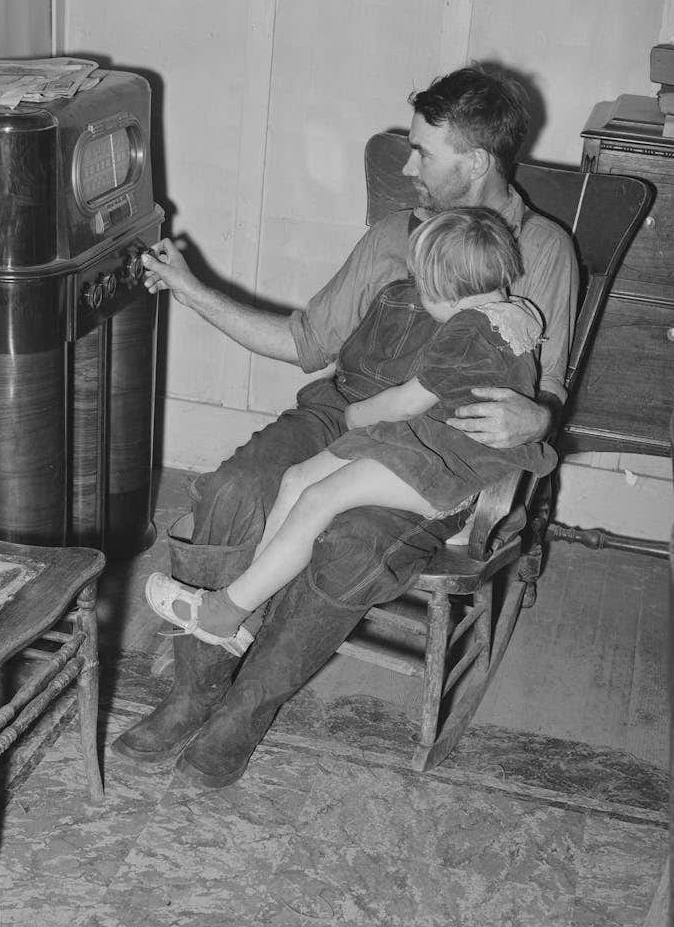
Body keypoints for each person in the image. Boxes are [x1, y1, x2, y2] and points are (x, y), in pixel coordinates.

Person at [111, 64, 579, 789]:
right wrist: (190, 289)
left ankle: (244, 715)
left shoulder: (542, 252)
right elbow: (305, 341)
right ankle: (194, 691)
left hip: (432, 447)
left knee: (349, 545)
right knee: (238, 488)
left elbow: (545, 395)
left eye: (425, 151)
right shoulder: (396, 234)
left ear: (478, 161)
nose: (406, 164)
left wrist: (535, 412)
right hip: (343, 409)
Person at [142, 207, 557, 652]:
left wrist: (355, 415)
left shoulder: (467, 333)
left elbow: (406, 403)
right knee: (297, 479)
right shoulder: (517, 313)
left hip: (441, 465)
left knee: (320, 497)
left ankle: (224, 612)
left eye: (423, 286)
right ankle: (248, 610)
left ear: (448, 291)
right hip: (420, 443)